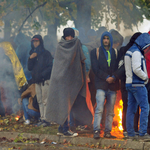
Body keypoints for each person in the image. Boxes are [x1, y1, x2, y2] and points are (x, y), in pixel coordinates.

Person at [45, 28, 93, 137]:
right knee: (63, 105)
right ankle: (65, 129)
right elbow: (58, 64)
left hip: (72, 80)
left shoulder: (77, 45)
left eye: (71, 36)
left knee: (68, 105)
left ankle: (62, 129)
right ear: (64, 36)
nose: (69, 38)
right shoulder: (60, 46)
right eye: (67, 36)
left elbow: (81, 61)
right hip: (60, 81)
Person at [91, 31, 119, 139]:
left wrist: (114, 77)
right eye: (104, 38)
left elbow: (117, 67)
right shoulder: (95, 52)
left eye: (107, 38)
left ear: (110, 40)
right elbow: (95, 68)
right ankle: (96, 130)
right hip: (101, 85)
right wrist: (106, 77)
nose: (106, 40)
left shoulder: (115, 52)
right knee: (99, 108)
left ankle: (108, 132)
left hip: (112, 85)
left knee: (111, 111)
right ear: (102, 40)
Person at [124, 33, 150, 139]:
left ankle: (130, 133)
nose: (148, 47)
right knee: (145, 107)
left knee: (131, 109)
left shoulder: (129, 51)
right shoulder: (136, 52)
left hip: (129, 84)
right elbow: (136, 69)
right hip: (138, 84)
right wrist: (146, 77)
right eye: (147, 45)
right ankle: (143, 133)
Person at [117, 32, 142, 137]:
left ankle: (128, 129)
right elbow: (120, 67)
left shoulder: (124, 50)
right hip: (132, 83)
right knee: (132, 107)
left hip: (126, 83)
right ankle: (131, 129)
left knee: (128, 107)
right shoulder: (127, 51)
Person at [28, 35, 53, 127]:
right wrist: (30, 59)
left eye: (37, 41)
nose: (35, 43)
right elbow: (29, 68)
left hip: (45, 80)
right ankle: (42, 119)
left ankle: (47, 120)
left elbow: (50, 67)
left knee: (45, 100)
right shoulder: (32, 53)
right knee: (39, 101)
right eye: (33, 41)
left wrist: (42, 75)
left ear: (40, 42)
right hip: (37, 81)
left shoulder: (46, 53)